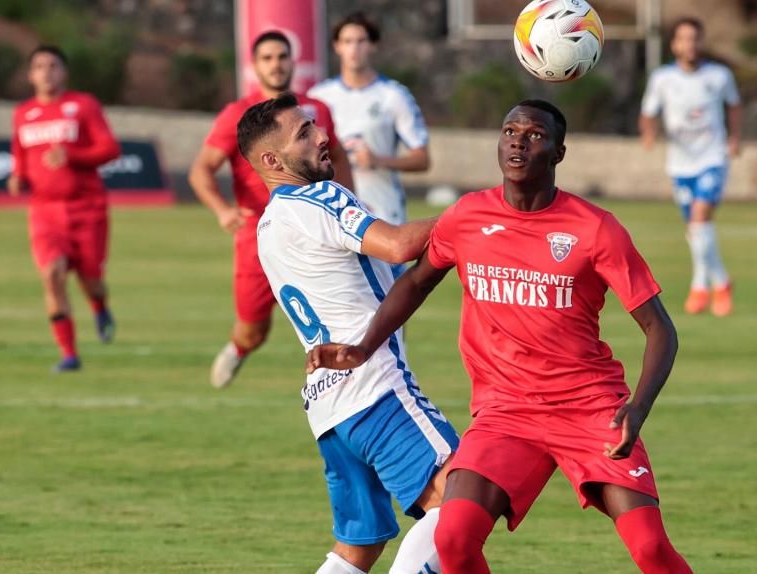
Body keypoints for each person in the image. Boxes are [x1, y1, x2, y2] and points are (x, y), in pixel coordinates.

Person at [309, 101, 693, 573]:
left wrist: (638, 405)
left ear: (559, 153)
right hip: (506, 413)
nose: (518, 141)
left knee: (651, 549)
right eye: (510, 130)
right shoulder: (468, 216)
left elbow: (661, 330)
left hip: (590, 409)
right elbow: (415, 281)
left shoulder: (595, 228)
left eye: (534, 135)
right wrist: (364, 347)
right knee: (453, 539)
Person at [238, 92, 459, 573]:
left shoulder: (268, 224)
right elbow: (399, 245)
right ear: (273, 160)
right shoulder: (320, 196)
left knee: (357, 549)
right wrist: (481, 214)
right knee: (462, 498)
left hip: (328, 410)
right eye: (304, 133)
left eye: (315, 124)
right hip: (374, 387)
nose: (323, 136)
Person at [189, 31, 353, 389]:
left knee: (340, 312)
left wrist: (350, 204)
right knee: (253, 327)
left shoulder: (316, 109)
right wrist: (222, 211)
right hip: (258, 236)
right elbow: (201, 170)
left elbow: (337, 156)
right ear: (255, 66)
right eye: (267, 58)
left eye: (282, 56)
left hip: (316, 230)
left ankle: (345, 381)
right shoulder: (238, 115)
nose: (276, 64)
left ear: (293, 62)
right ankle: (239, 347)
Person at [8, 45, 121, 372]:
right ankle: (69, 354)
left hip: (87, 208)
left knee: (90, 278)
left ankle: (99, 305)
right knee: (52, 273)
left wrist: (73, 155)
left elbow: (110, 149)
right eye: (39, 66)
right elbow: (20, 158)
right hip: (45, 212)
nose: (46, 72)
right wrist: (18, 177)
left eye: (53, 65)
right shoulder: (22, 114)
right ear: (30, 75)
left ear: (64, 72)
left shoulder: (83, 106)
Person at [309, 13, 429, 276]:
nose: (354, 48)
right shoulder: (319, 98)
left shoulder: (393, 96)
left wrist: (378, 160)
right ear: (336, 46)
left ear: (373, 45)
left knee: (392, 303)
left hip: (384, 211)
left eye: (361, 40)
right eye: (347, 41)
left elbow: (422, 158)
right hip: (334, 211)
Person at [640, 17, 741, 316]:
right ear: (674, 44)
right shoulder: (662, 78)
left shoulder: (719, 76)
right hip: (680, 164)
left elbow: (733, 105)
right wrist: (649, 133)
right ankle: (721, 281)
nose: (690, 44)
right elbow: (648, 113)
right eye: (683, 38)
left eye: (695, 38)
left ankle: (699, 286)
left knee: (699, 219)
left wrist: (734, 138)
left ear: (702, 41)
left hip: (712, 158)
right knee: (696, 230)